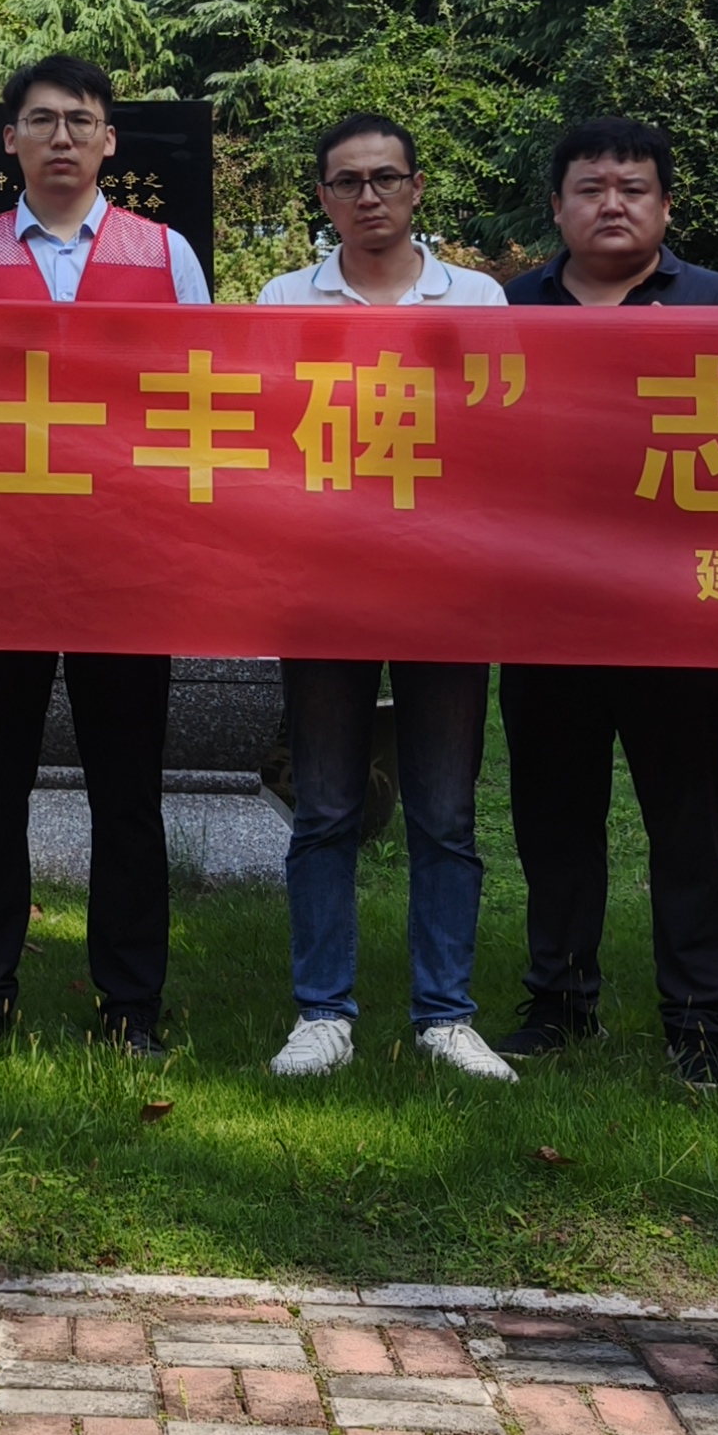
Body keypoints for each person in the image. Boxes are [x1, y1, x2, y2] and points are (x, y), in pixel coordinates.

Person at [0, 54, 210, 1059]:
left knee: (127, 791)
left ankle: (131, 1005)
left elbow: (201, 397)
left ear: (108, 140)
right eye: (40, 120)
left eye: (79, 121)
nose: (60, 138)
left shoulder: (164, 253)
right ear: (10, 140)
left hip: (125, 563)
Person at [253, 114, 511, 1083]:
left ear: (415, 188)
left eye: (385, 178)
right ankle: (322, 1013)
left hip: (445, 587)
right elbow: (263, 431)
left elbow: (501, 434)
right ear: (323, 198)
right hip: (324, 585)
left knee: (444, 810)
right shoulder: (284, 298)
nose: (368, 196)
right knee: (325, 805)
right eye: (347, 182)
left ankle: (446, 1015)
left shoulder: (478, 298)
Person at [494, 117, 718, 1088]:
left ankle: (699, 1018)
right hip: (543, 606)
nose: (612, 204)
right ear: (556, 207)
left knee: (688, 819)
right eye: (591, 188)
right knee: (553, 814)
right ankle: (560, 1000)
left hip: (677, 611)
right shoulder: (509, 309)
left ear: (665, 207)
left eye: (632, 188)